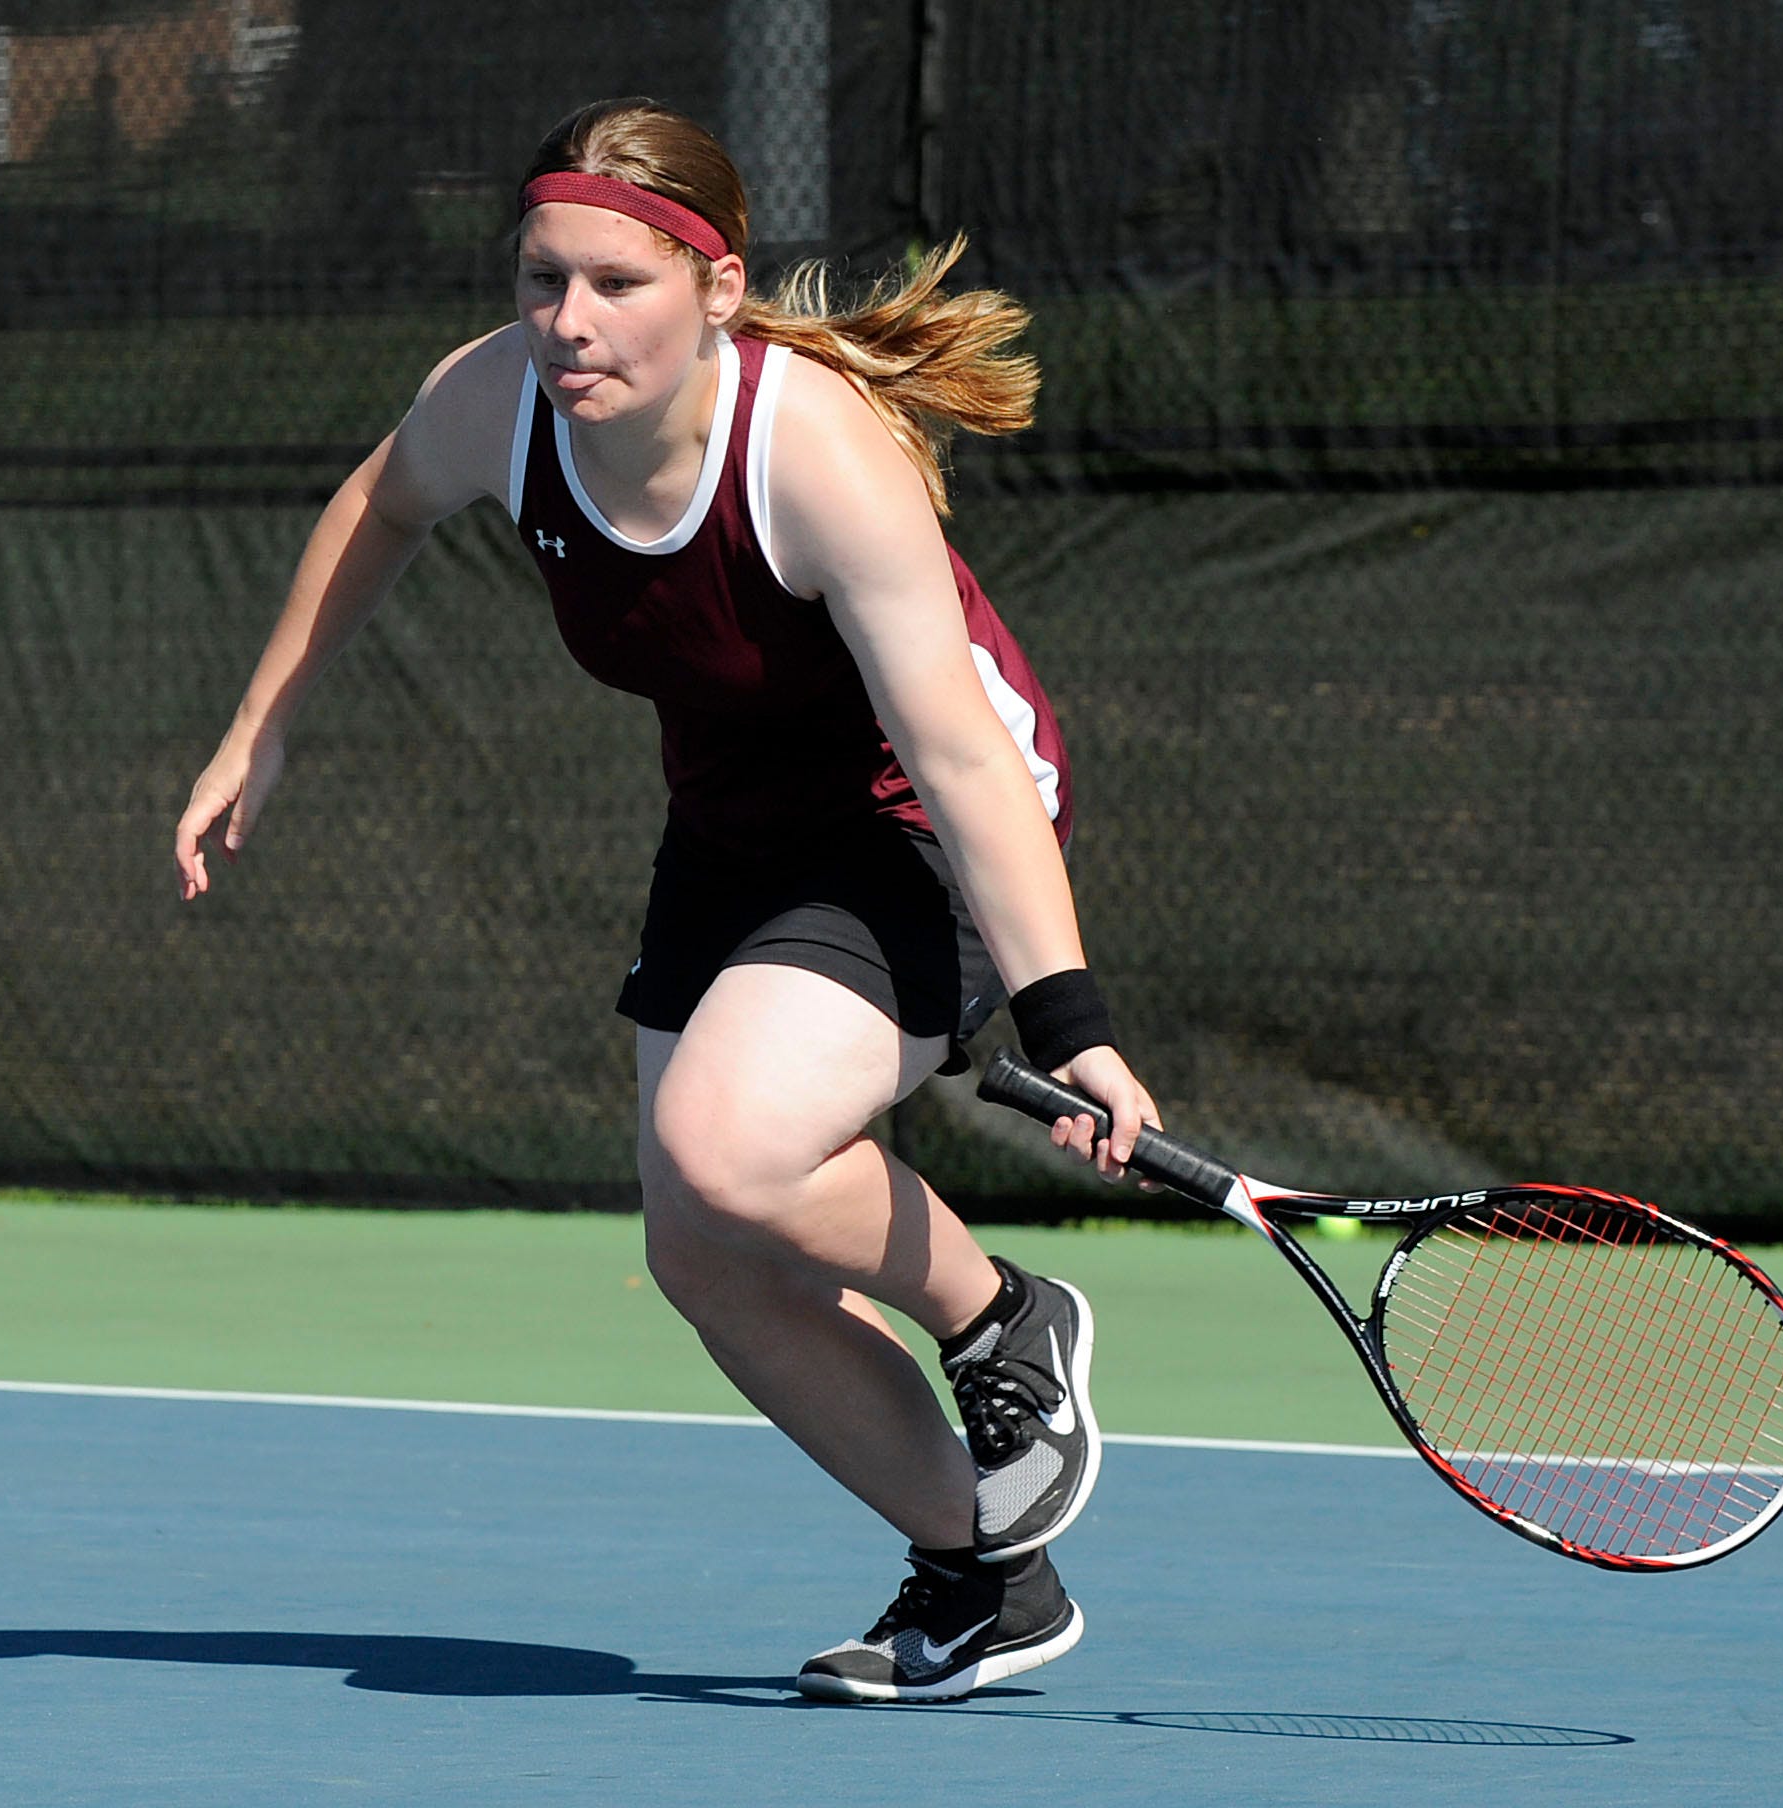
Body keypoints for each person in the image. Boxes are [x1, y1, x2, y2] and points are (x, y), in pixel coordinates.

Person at [173, 98, 1162, 1703]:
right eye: (541, 278)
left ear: (713, 287)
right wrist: (257, 726)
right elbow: (378, 500)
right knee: (703, 1251)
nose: (567, 322)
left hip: (914, 823)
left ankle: (1001, 1318)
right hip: (730, 829)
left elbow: (965, 762)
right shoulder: (500, 402)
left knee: (727, 1144)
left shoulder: (814, 455)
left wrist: (1073, 1023)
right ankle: (982, 1579)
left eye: (615, 285)